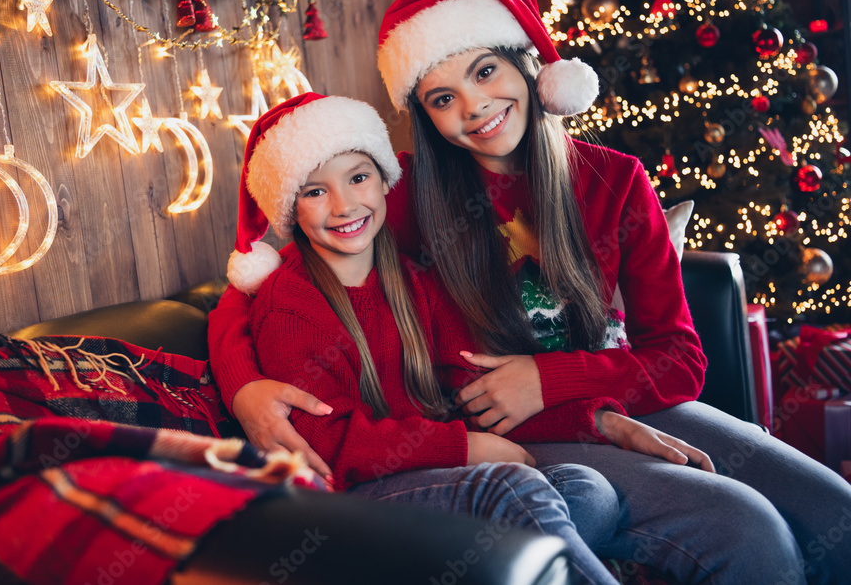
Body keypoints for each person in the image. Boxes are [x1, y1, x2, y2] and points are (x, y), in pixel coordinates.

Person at [211, 0, 851, 584]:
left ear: (530, 66)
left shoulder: (616, 181)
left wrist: (551, 379)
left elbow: (679, 358)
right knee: (749, 531)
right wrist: (243, 388)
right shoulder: (391, 193)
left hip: (613, 402)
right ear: (425, 115)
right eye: (442, 97)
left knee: (835, 514)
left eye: (485, 71)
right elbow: (256, 285)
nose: (476, 106)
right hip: (511, 432)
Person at [220, 91, 705, 585]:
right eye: (314, 191)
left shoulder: (416, 281)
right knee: (514, 488)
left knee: (590, 493)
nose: (344, 205)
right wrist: (463, 447)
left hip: (430, 484)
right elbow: (326, 440)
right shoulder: (292, 305)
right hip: (350, 499)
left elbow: (475, 387)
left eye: (358, 177)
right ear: (289, 208)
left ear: (384, 181)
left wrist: (601, 421)